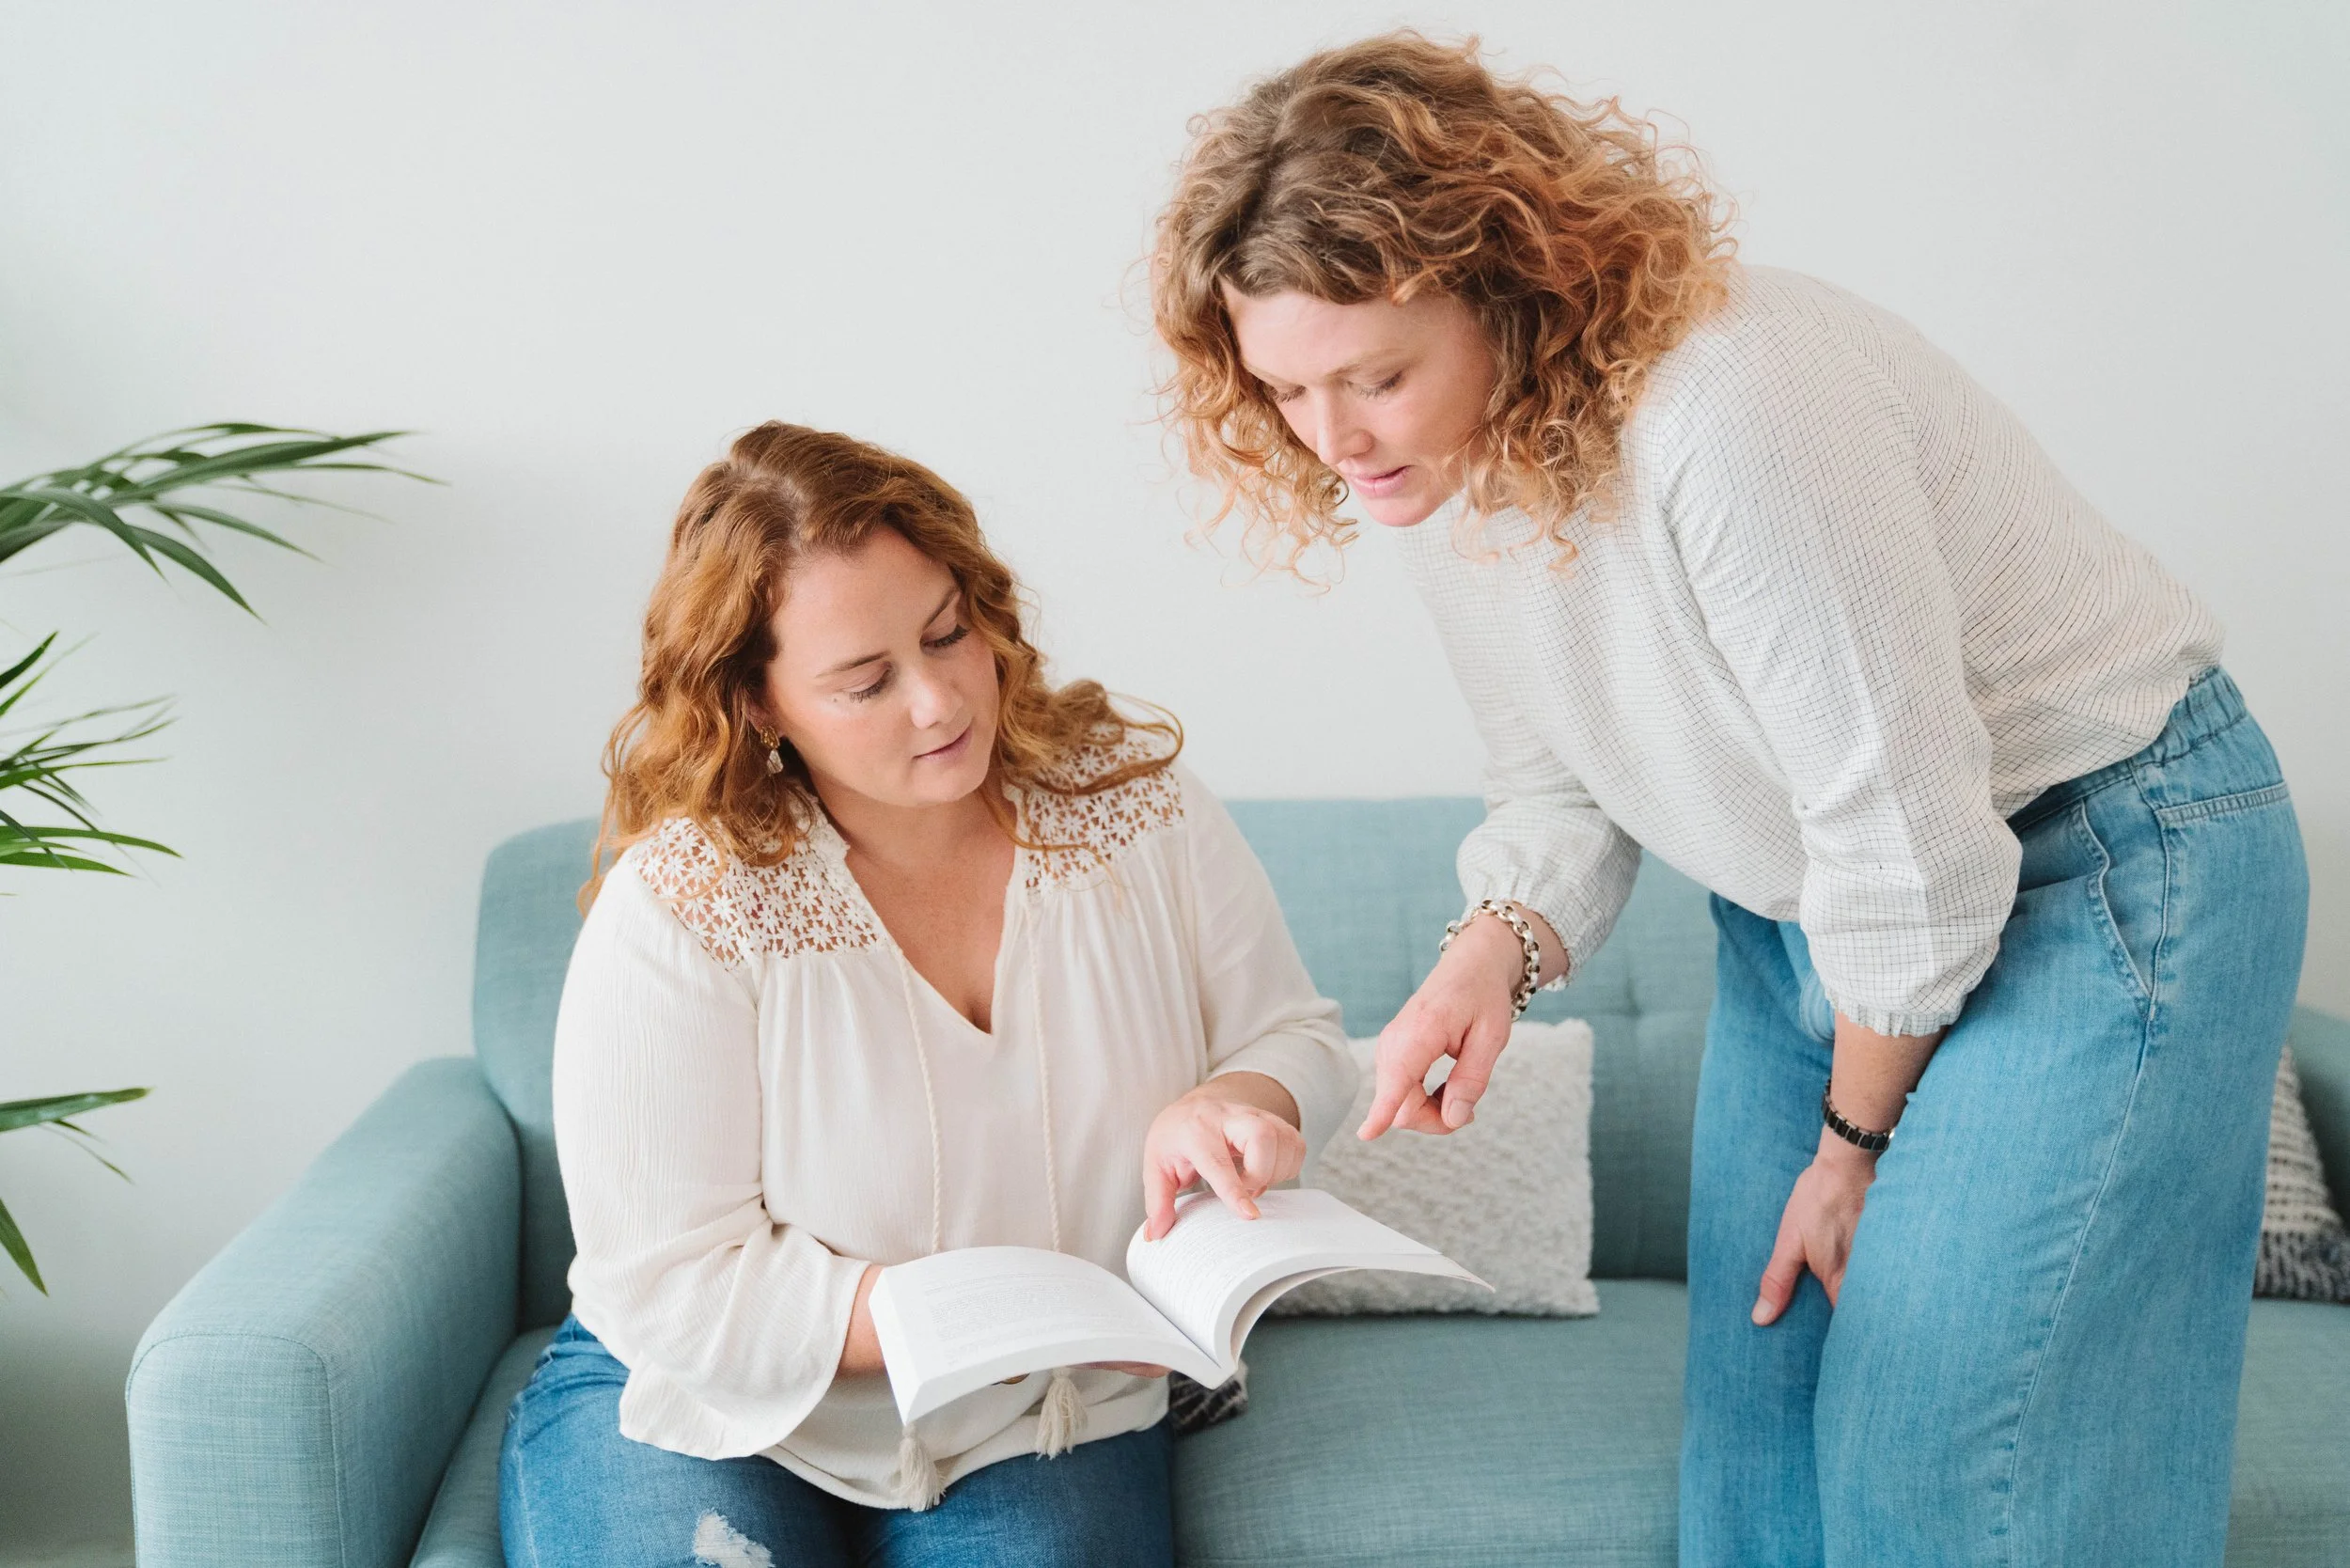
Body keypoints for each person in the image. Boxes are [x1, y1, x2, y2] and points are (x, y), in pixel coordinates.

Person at [1150, 32, 2307, 1567]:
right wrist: (1490, 945)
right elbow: (1557, 773)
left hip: (2093, 857)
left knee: (1936, 1462)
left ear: (1511, 282)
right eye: (1287, 387)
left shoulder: (1741, 409)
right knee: (1757, 1453)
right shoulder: (1447, 464)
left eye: (1373, 376)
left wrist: (1852, 1145)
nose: (1334, 439)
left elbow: (1907, 846)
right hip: (1817, 913)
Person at [497, 422, 1355, 1568]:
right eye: (864, 682)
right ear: (758, 706)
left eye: (948, 634)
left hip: (1040, 1415)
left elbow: (1292, 1033)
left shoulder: (1132, 803)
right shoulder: (686, 903)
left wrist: (1240, 1101)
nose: (940, 700)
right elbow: (670, 1287)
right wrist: (957, 1320)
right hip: (708, 1411)